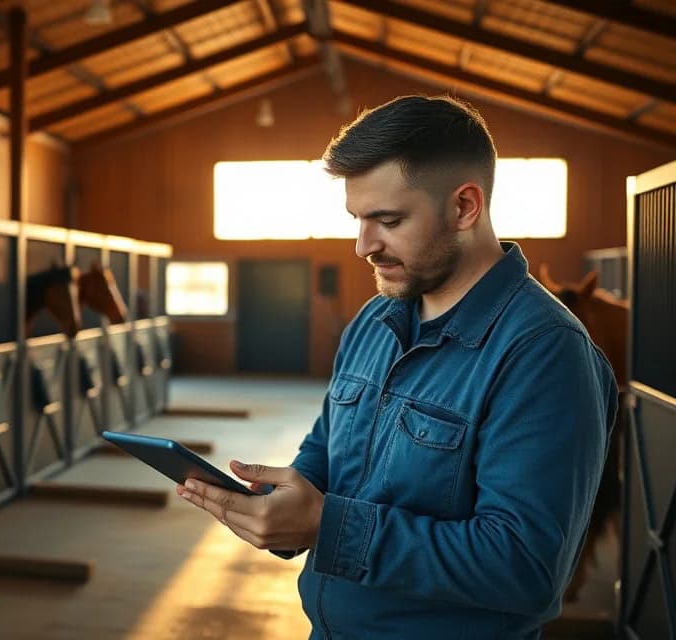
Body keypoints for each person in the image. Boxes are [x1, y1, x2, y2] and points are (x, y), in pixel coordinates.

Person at [176, 94, 618, 639]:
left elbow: (524, 568)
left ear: (464, 207)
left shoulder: (544, 352)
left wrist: (328, 524)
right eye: (357, 219)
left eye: (387, 220)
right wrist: (281, 509)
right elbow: (328, 447)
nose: (363, 245)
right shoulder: (374, 320)